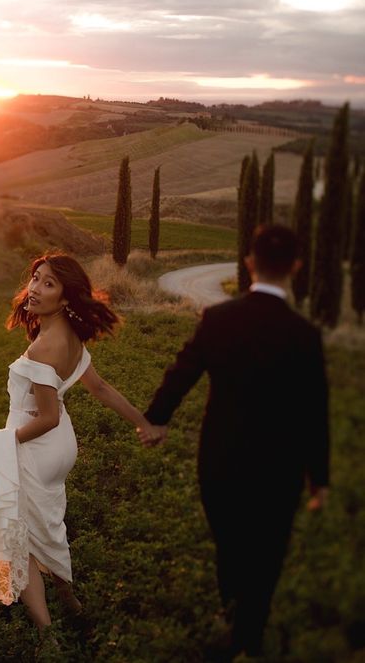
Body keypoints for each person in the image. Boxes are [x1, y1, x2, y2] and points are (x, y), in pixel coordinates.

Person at [140, 224, 330, 659]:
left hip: (221, 458)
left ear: (249, 263)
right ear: (296, 267)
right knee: (269, 549)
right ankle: (251, 631)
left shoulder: (220, 319)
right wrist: (318, 479)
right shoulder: (305, 334)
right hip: (281, 467)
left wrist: (156, 419)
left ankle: (234, 618)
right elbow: (314, 411)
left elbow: (182, 371)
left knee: (231, 544)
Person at [0, 253, 156, 650]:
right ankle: (71, 600)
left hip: (36, 444)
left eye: (48, 283)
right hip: (59, 446)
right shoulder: (70, 335)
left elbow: (45, 417)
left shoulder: (45, 348)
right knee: (47, 525)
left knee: (24, 541)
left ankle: (49, 638)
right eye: (36, 277)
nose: (34, 287)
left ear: (66, 298)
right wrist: (143, 421)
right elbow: (99, 388)